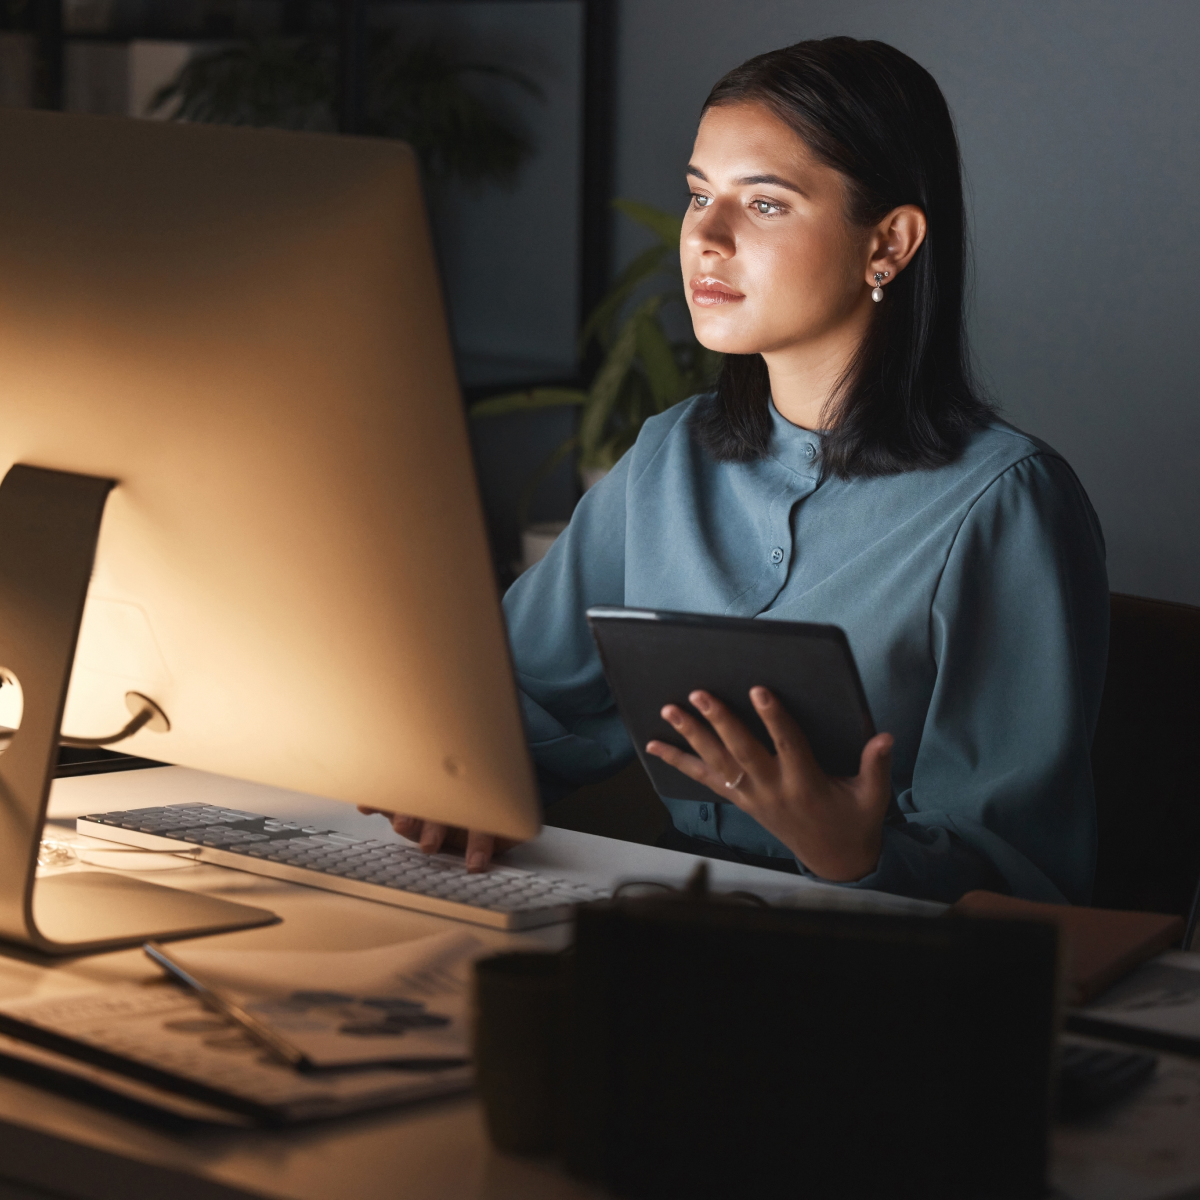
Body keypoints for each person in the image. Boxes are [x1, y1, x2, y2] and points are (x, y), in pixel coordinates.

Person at [378, 37, 1108, 904]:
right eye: (698, 196)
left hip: (885, 976)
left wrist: (856, 852)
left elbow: (1025, 878)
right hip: (665, 925)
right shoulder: (667, 457)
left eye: (763, 204)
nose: (706, 239)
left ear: (890, 243)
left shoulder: (1003, 503)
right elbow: (512, 703)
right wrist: (450, 777)